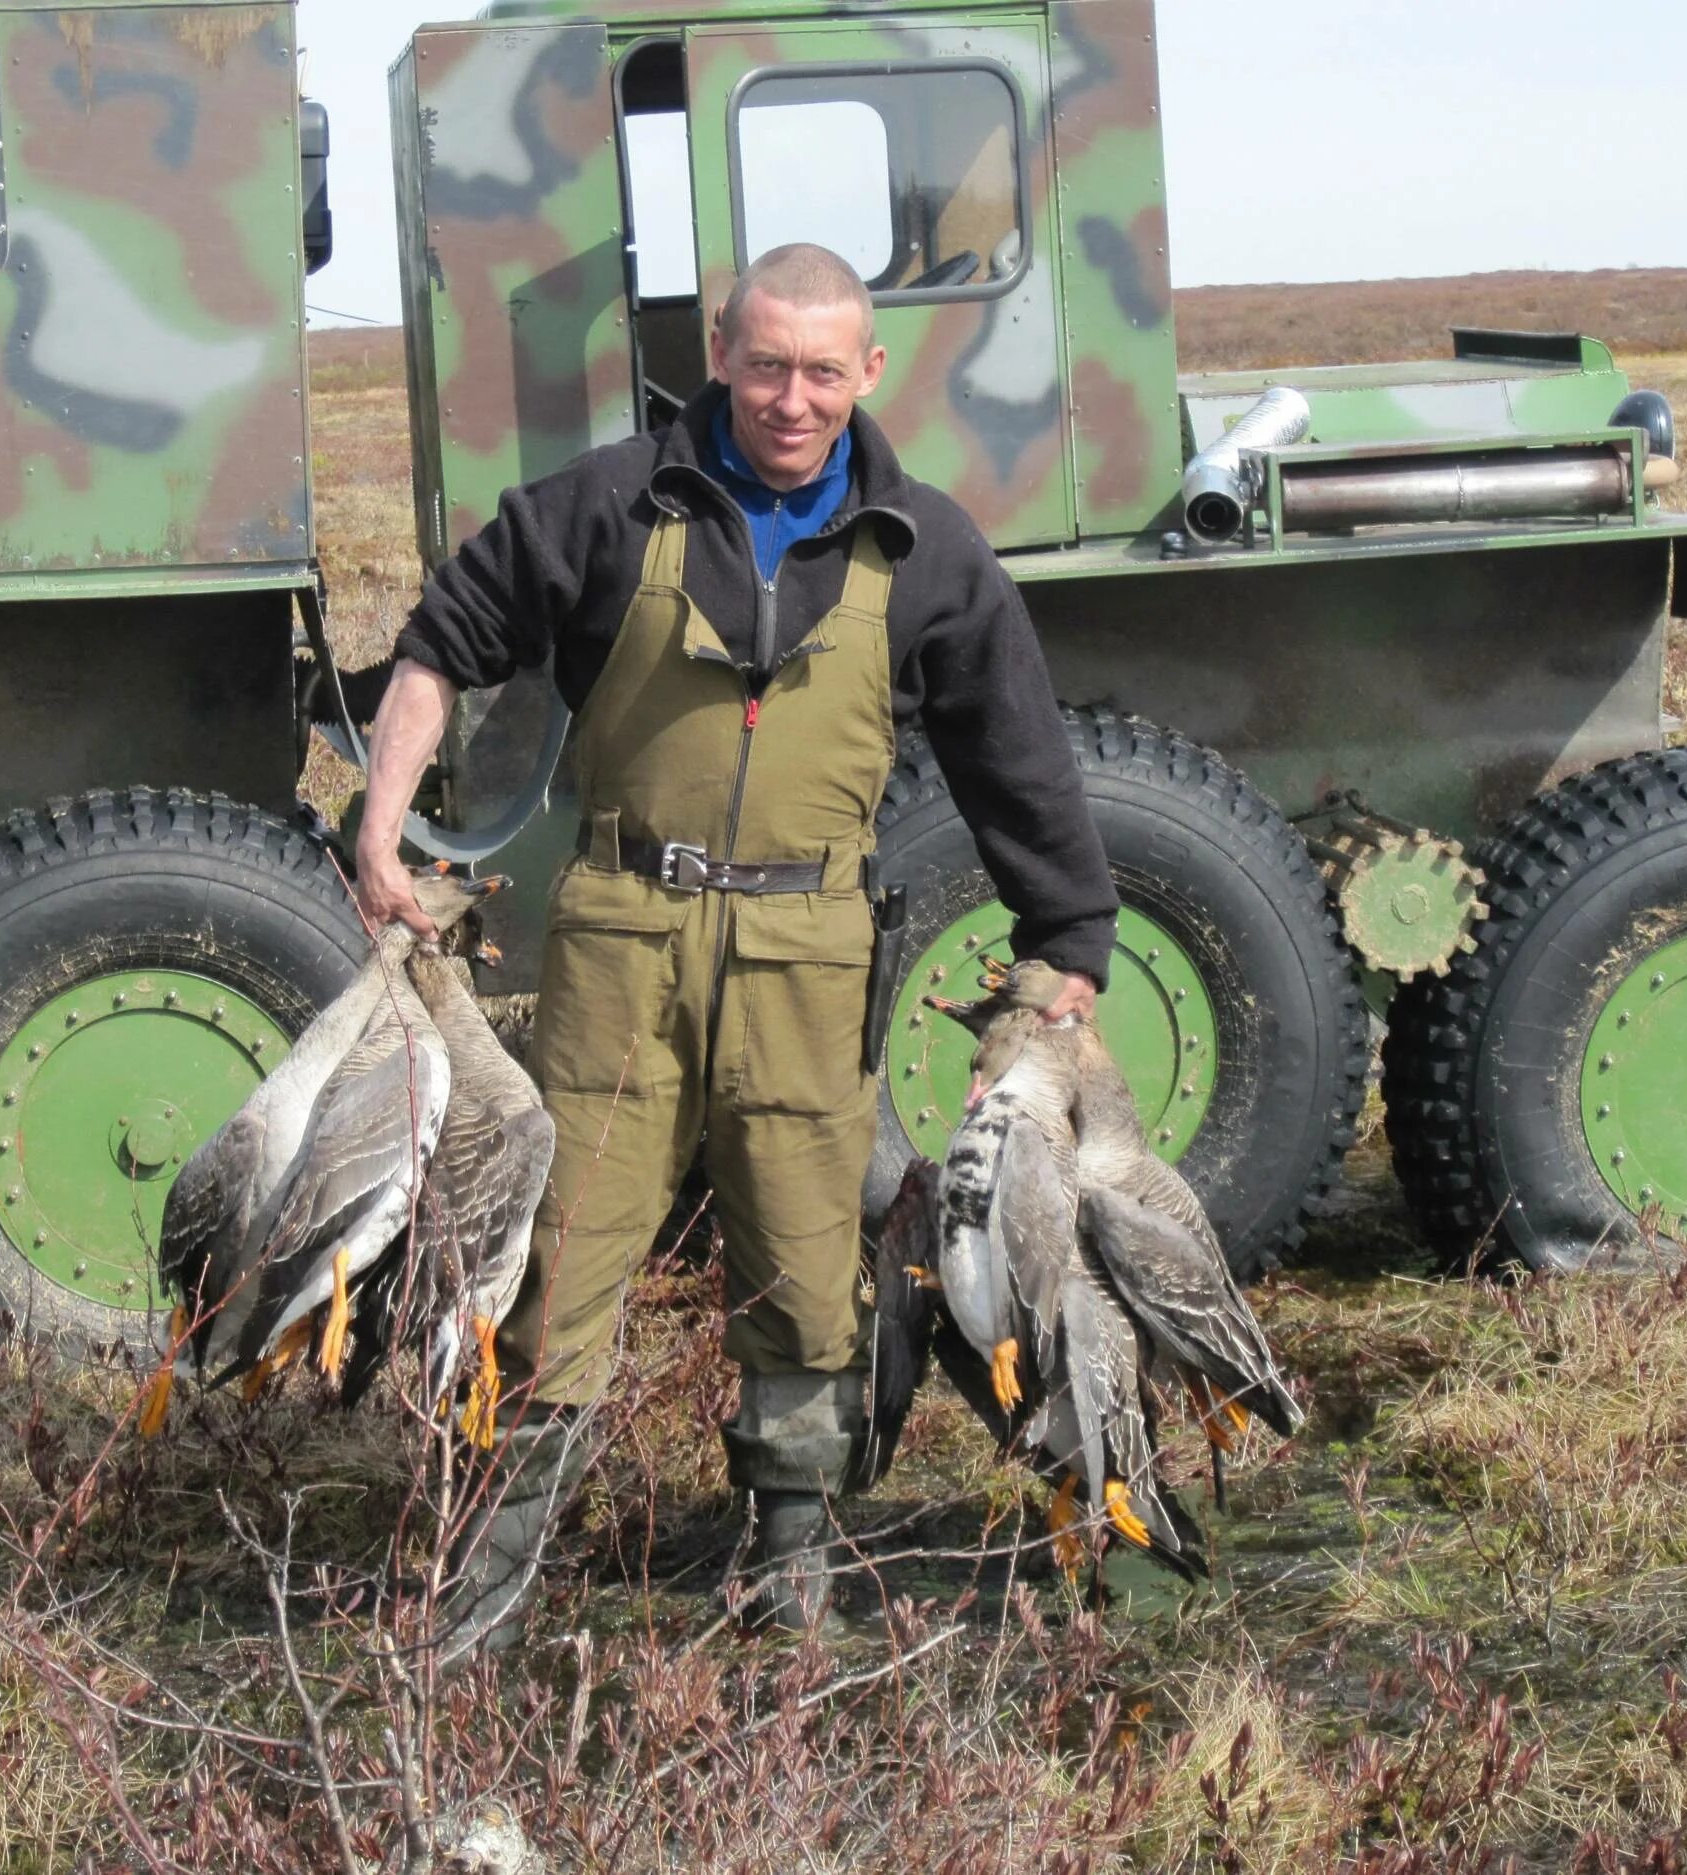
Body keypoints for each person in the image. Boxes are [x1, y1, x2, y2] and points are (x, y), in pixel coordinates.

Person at [350, 242, 1116, 1645]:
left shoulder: (925, 549)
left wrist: (1068, 937)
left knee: (809, 1271)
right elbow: (437, 641)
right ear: (720, 350)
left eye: (823, 371)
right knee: (559, 1260)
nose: (791, 398)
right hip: (619, 946)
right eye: (766, 363)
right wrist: (381, 829)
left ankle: (794, 1573)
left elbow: (1022, 758)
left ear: (868, 374)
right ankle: (492, 1580)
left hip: (810, 956)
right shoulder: (603, 504)